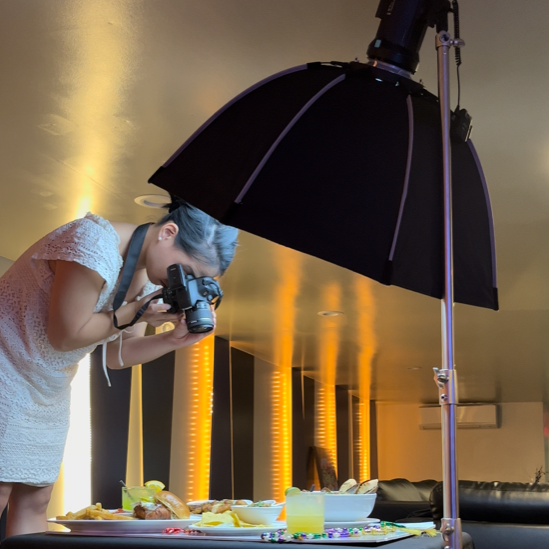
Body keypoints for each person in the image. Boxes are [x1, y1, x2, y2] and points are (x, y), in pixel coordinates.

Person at [0, 198, 238, 537]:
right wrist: (136, 311)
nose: (184, 284)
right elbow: (66, 335)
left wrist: (174, 340)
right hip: (6, 364)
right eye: (188, 273)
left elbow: (116, 355)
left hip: (48, 386)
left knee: (36, 499)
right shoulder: (92, 242)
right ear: (167, 233)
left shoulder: (151, 280)